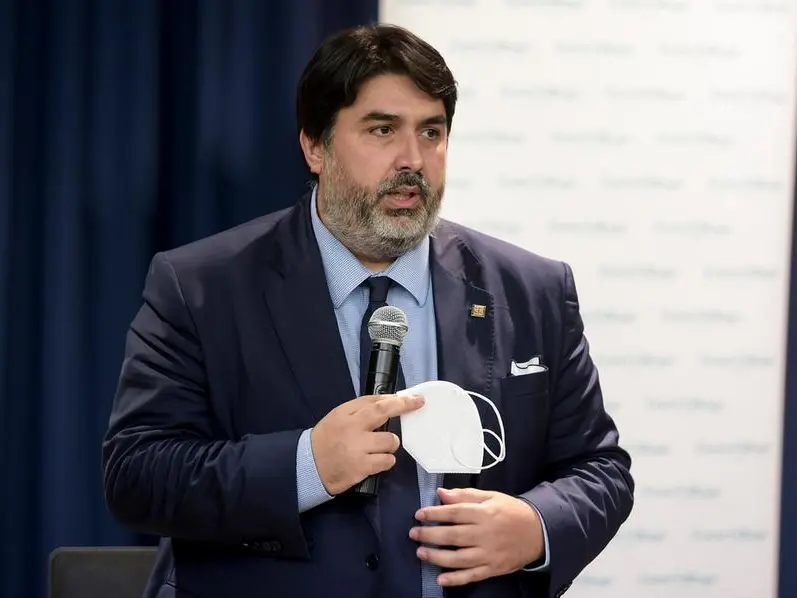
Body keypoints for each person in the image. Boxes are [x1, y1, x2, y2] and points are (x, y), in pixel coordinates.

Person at [102, 23, 633, 598]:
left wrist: (536, 528)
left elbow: (599, 469)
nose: (413, 159)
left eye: (431, 132)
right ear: (315, 146)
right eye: (382, 130)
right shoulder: (202, 287)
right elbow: (138, 474)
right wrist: (307, 465)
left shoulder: (531, 290)